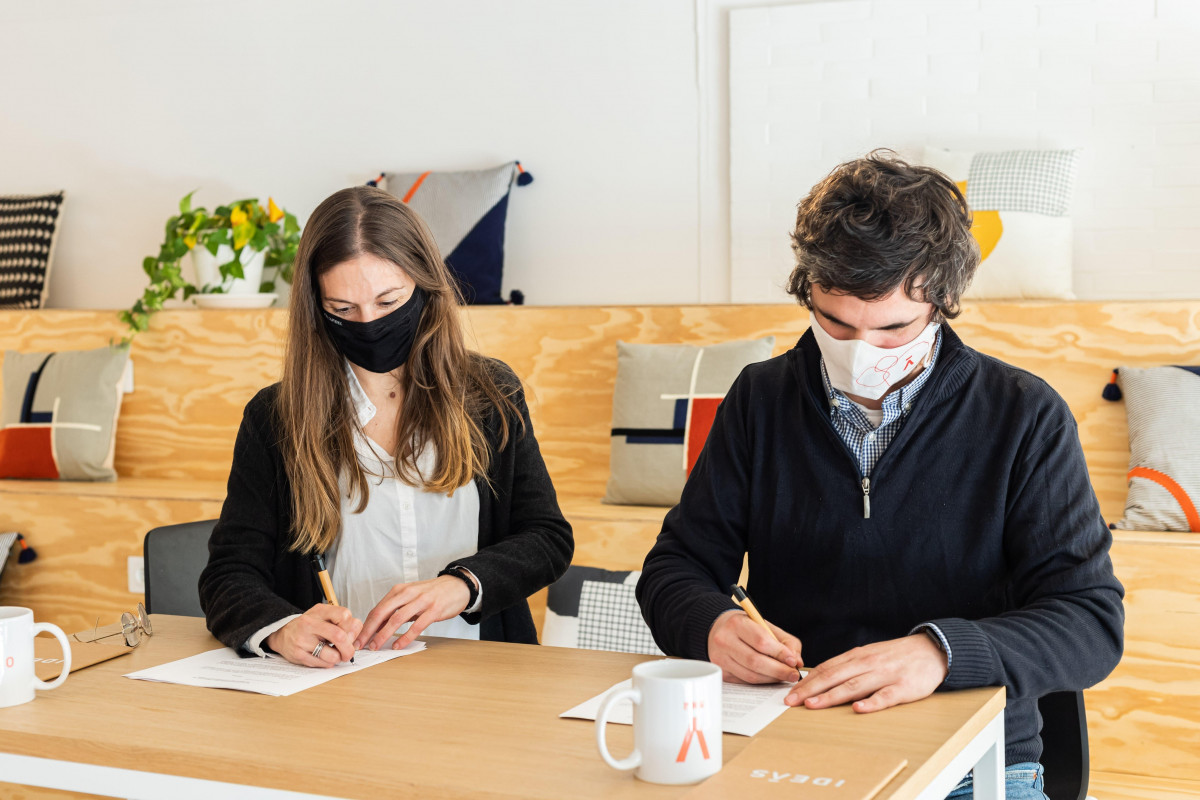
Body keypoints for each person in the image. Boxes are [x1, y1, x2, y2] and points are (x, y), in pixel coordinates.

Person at [636, 150, 1123, 798]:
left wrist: (941, 654)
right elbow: (676, 568)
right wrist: (710, 625)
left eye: (893, 328)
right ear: (807, 288)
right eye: (836, 322)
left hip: (975, 766)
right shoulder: (760, 399)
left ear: (945, 301)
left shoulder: (1024, 415)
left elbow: (1090, 621)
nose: (861, 350)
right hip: (795, 740)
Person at [200, 186, 573, 666]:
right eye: (343, 310)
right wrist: (281, 630)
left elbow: (546, 537)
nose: (368, 323)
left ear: (424, 286)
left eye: (389, 301)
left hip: (478, 674)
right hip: (338, 681)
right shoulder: (275, 417)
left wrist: (461, 586)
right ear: (316, 307)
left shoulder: (489, 393)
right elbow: (228, 575)